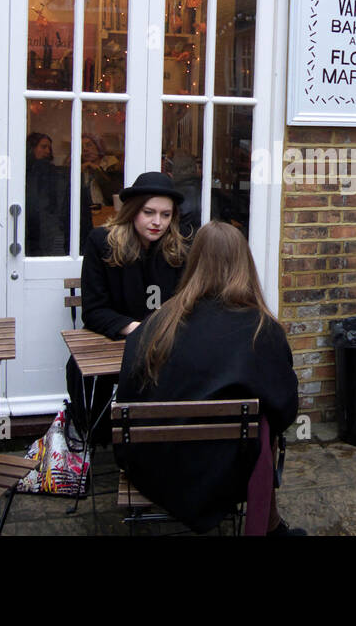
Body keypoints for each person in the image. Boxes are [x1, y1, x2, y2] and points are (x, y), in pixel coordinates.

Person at [115, 222, 302, 535]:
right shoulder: (262, 331)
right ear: (245, 264)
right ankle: (271, 525)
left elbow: (128, 399)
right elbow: (285, 410)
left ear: (194, 262)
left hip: (154, 468)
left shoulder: (155, 325)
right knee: (264, 422)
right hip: (229, 474)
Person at [73, 171, 189, 443]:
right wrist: (138, 329)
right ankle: (95, 436)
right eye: (149, 212)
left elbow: (186, 301)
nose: (157, 222)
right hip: (114, 338)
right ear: (134, 210)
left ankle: (163, 437)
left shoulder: (178, 249)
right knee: (80, 370)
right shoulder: (102, 242)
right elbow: (93, 309)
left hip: (163, 341)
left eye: (165, 214)